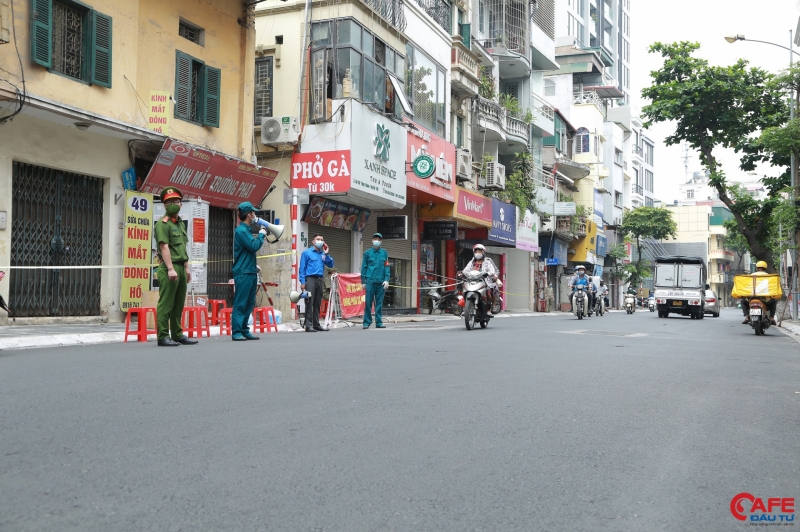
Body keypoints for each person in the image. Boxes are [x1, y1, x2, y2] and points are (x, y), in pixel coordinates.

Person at [154, 187, 197, 347]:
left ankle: (177, 334)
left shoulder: (180, 224)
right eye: (169, 202)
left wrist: (186, 268)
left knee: (178, 303)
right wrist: (171, 268)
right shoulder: (162, 224)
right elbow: (164, 247)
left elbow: (182, 248)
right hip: (168, 268)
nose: (173, 204)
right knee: (166, 303)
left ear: (181, 204)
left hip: (180, 266)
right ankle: (163, 336)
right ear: (164, 205)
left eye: (176, 201)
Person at [231, 202, 267, 341]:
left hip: (250, 271)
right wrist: (261, 235)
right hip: (243, 271)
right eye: (253, 213)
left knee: (249, 303)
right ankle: (237, 331)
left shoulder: (246, 230)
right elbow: (253, 246)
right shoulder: (241, 231)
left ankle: (244, 329)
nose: (255, 215)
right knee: (241, 302)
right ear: (249, 214)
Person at [299, 234, 334, 332]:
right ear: (313, 241)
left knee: (318, 302)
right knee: (309, 302)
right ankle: (308, 325)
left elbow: (331, 264)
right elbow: (302, 269)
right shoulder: (306, 253)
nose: (320, 241)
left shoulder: (323, 254)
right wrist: (302, 282)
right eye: (318, 239)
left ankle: (316, 324)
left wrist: (327, 253)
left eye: (322, 240)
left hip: (319, 280)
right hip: (310, 279)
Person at [459, 244, 499, 315]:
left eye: (479, 251)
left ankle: (490, 308)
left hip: (485, 281)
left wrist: (489, 274)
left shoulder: (488, 261)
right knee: (464, 290)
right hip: (472, 281)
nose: (477, 253)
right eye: (476, 251)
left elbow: (492, 270)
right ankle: (466, 308)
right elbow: (466, 270)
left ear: (483, 252)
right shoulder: (472, 262)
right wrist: (461, 273)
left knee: (490, 291)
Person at [362, 233, 390, 329]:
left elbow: (387, 266)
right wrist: (363, 281)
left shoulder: (384, 253)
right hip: (370, 281)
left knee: (379, 303)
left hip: (381, 282)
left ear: (381, 241)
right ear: (372, 240)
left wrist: (387, 279)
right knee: (368, 303)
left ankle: (379, 322)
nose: (377, 240)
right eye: (375, 238)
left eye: (378, 239)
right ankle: (366, 322)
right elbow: (364, 267)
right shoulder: (367, 253)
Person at [741, 261, 778, 325]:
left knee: (743, 301)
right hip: (765, 299)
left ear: (756, 268)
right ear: (765, 268)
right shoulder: (768, 276)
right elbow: (771, 287)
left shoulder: (751, 276)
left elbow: (747, 287)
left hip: (751, 298)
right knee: (773, 301)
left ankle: (747, 317)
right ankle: (772, 318)